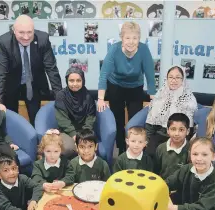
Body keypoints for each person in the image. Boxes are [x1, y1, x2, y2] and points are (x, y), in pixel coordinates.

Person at [97, 21, 156, 154]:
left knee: (134, 122)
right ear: (122, 38)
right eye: (127, 38)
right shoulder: (114, 49)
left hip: (135, 88)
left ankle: (133, 149)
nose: (131, 41)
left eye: (135, 38)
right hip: (116, 86)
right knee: (117, 119)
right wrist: (101, 98)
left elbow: (150, 75)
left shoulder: (144, 50)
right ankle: (122, 149)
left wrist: (153, 99)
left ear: (139, 39)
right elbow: (104, 74)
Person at [0, 15, 62, 126]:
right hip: (11, 85)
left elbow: (51, 69)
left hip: (34, 85)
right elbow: (0, 74)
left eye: (29, 32)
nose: (26, 37)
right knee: (11, 119)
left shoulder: (43, 39)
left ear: (34, 30)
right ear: (13, 31)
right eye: (21, 32)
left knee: (36, 119)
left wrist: (59, 97)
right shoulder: (4, 42)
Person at [145, 65, 197, 158]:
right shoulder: (160, 95)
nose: (174, 80)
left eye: (178, 77)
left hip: (179, 137)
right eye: (171, 77)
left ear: (183, 79)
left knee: (172, 156)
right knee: (150, 154)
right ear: (167, 78)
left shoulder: (189, 99)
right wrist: (147, 141)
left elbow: (190, 129)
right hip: (160, 134)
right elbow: (151, 124)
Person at [55, 67, 96, 159]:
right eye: (71, 81)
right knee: (69, 148)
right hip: (66, 131)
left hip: (85, 130)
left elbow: (91, 117)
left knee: (88, 146)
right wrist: (74, 135)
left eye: (78, 80)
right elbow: (62, 120)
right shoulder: (61, 96)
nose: (75, 84)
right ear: (67, 81)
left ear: (83, 81)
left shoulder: (88, 96)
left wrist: (83, 134)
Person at [154, 113, 190, 179]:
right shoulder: (161, 148)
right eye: (173, 129)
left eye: (181, 130)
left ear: (187, 131)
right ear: (168, 130)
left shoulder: (191, 150)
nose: (177, 133)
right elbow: (156, 171)